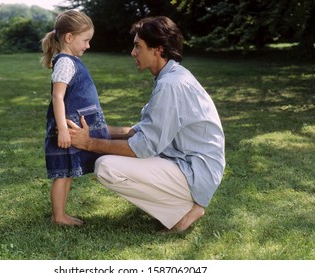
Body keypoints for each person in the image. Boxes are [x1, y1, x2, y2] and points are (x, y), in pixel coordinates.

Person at [67, 16, 225, 232]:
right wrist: (96, 132)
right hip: (187, 160)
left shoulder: (171, 85)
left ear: (158, 49)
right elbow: (139, 131)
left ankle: (186, 209)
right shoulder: (171, 76)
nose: (133, 53)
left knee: (106, 167)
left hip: (195, 169)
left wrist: (89, 144)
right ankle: (182, 206)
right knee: (113, 160)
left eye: (138, 47)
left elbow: (142, 147)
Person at [40, 10, 110, 226]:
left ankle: (61, 213)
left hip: (71, 128)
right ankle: (59, 216)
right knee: (62, 173)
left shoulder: (71, 60)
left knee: (67, 172)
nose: (88, 46)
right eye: (85, 40)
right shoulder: (65, 63)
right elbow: (57, 97)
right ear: (69, 37)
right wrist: (62, 129)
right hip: (67, 129)